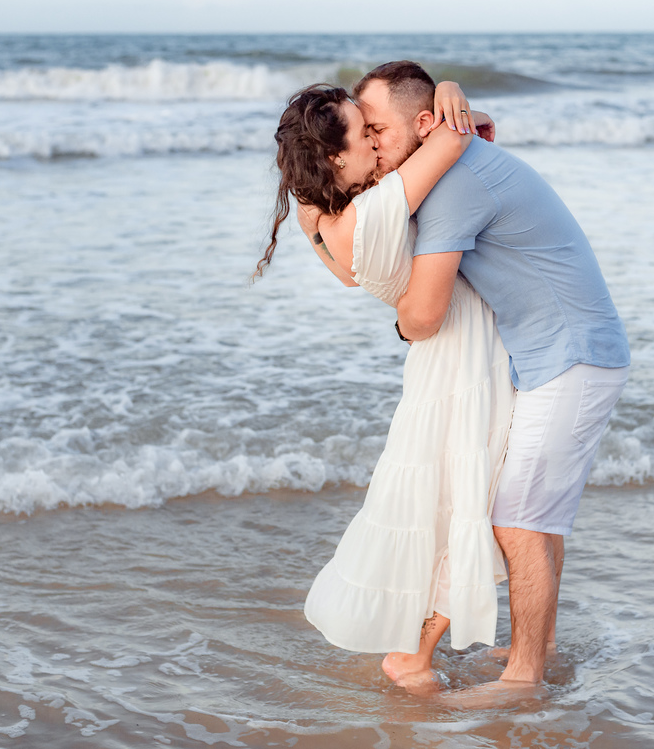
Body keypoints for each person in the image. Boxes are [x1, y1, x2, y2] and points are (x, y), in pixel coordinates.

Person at [355, 61, 631, 687]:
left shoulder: (453, 185)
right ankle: (539, 652)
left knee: (516, 519)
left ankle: (523, 678)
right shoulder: (459, 154)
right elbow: (475, 121)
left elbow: (424, 316)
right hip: (569, 354)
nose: (371, 145)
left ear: (425, 124)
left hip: (571, 358)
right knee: (538, 517)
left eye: (377, 130)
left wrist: (398, 316)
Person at [255, 82, 514, 691]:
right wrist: (448, 90)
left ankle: (414, 646)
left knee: (444, 504)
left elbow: (352, 278)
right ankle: (412, 656)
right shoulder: (378, 208)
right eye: (363, 132)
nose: (376, 140)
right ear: (336, 156)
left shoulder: (320, 217)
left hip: (437, 361)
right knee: (472, 502)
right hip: (464, 355)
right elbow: (457, 134)